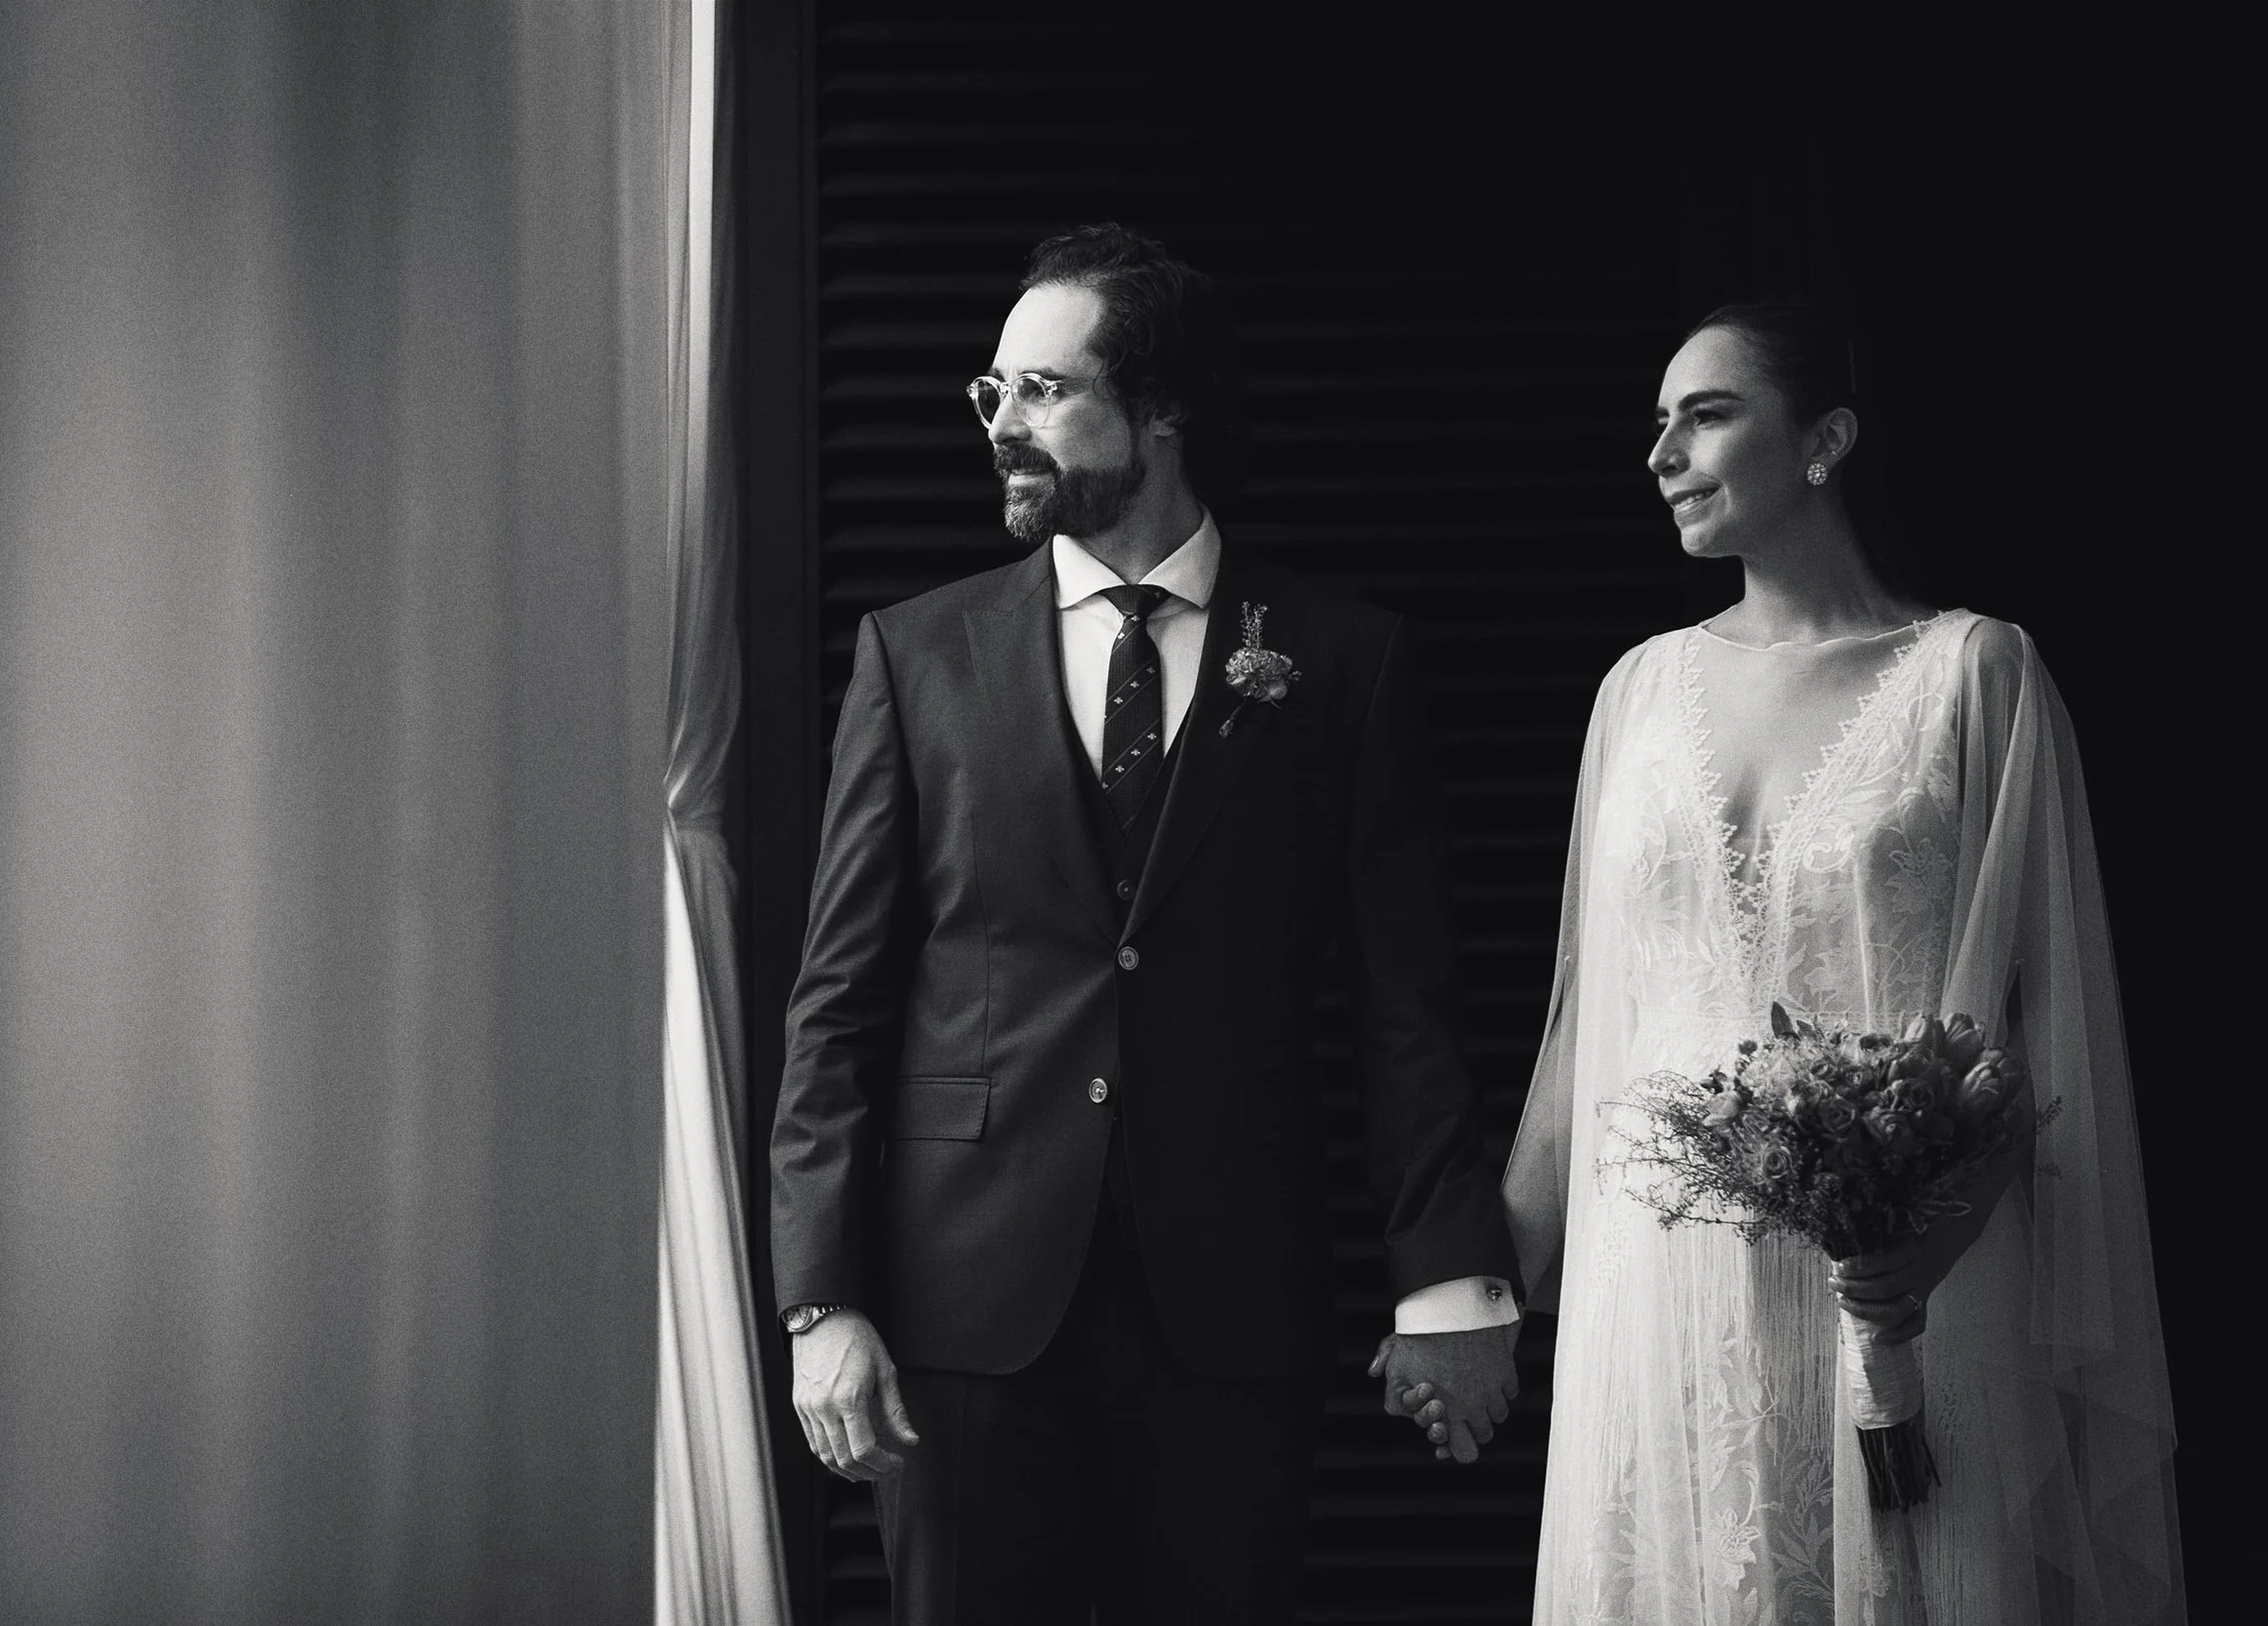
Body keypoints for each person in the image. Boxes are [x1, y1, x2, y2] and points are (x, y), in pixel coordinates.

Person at [769, 223, 1522, 1624]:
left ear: (1161, 410)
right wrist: (822, 1302)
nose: (1004, 425)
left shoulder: (1346, 659)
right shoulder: (913, 654)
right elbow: (839, 1002)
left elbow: (1404, 1001)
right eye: (990, 392)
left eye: (1044, 390)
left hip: (1232, 1309)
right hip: (960, 1318)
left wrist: (1450, 1277)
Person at [1503, 302, 2185, 1623]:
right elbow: (1587, 1029)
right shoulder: (1633, 692)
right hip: (1658, 1298)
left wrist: (1931, 1239)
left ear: (1825, 438)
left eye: (1705, 414)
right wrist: (1473, 1293)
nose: (1661, 453)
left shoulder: (1975, 678)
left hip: (1902, 1288)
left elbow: (2044, 1038)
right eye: (1657, 422)